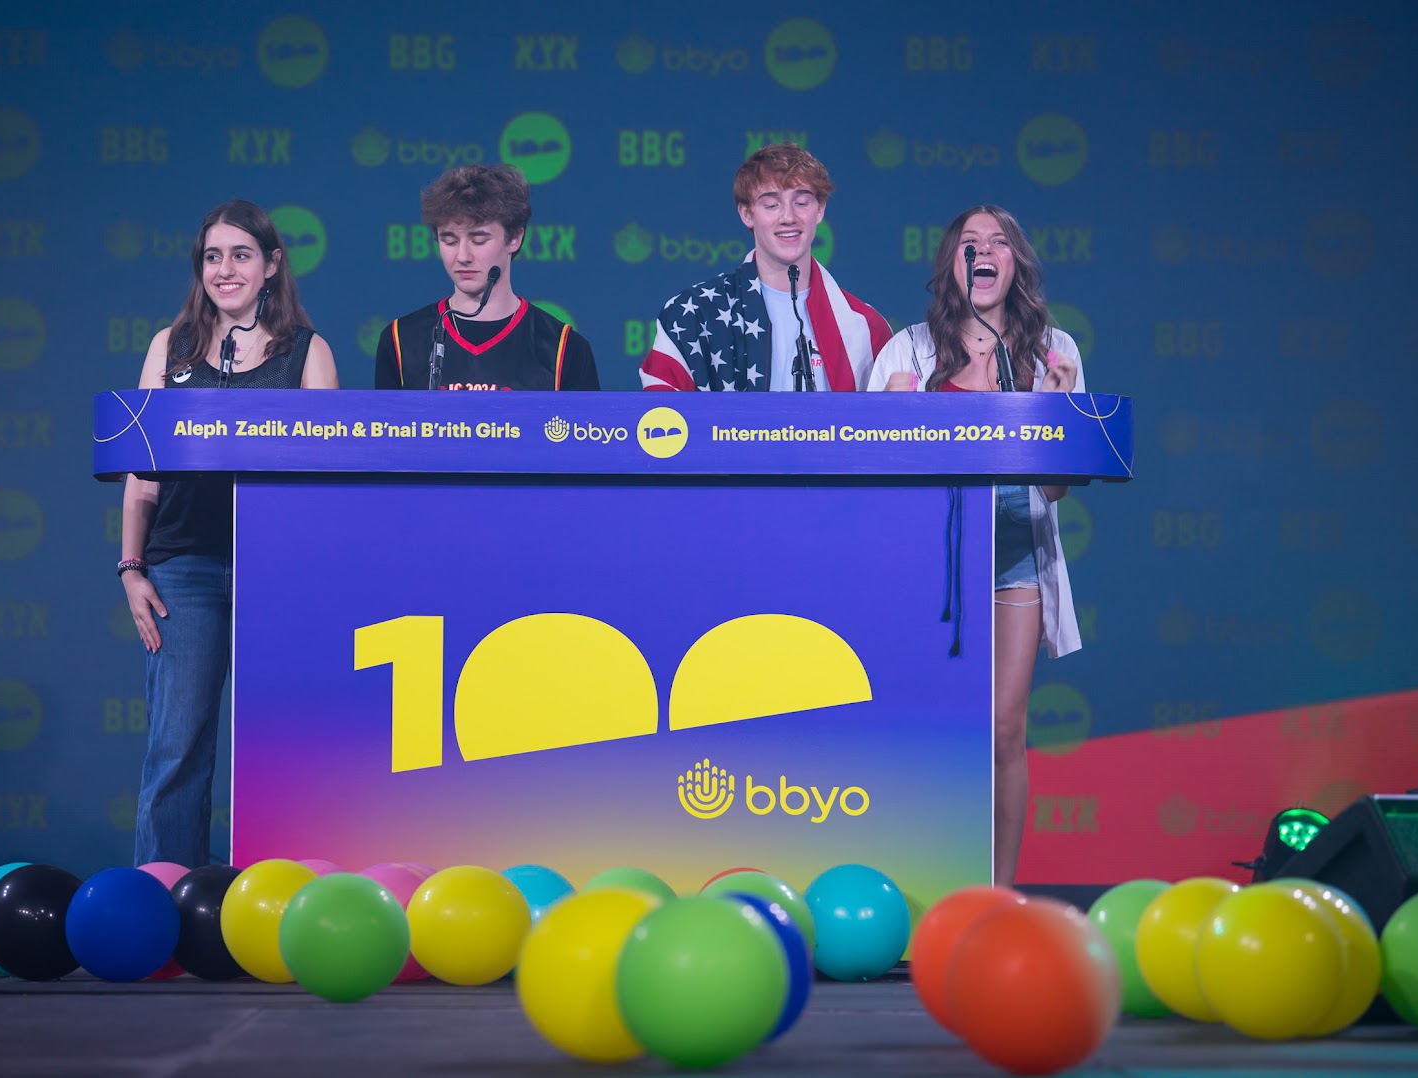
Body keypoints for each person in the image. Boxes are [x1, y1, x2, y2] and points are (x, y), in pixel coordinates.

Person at [867, 205, 1084, 888]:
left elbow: (1055, 491)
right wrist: (896, 423)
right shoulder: (906, 352)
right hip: (927, 564)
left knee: (1001, 729)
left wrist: (1052, 412)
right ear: (951, 264)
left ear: (1014, 264)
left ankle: (997, 891)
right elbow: (871, 474)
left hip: (1014, 554)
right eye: (969, 242)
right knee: (929, 730)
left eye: (998, 243)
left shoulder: (1055, 350)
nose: (984, 252)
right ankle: (924, 885)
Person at [119, 199, 339, 868]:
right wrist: (131, 568)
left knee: (280, 752)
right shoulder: (171, 347)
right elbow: (143, 476)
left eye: (241, 254)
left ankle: (282, 909)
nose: (225, 269)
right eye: (213, 256)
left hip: (278, 572)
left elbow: (327, 482)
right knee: (176, 746)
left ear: (272, 264)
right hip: (182, 567)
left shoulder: (308, 352)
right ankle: (163, 909)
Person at [639, 142, 890, 392]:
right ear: (747, 214)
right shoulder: (692, 314)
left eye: (801, 202)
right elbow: (661, 420)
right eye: (771, 205)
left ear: (820, 210)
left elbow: (885, 426)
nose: (788, 217)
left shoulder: (866, 328)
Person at [375, 164, 599, 390]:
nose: (462, 256)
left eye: (478, 240)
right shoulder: (400, 340)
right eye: (449, 240)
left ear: (514, 238)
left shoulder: (564, 348)